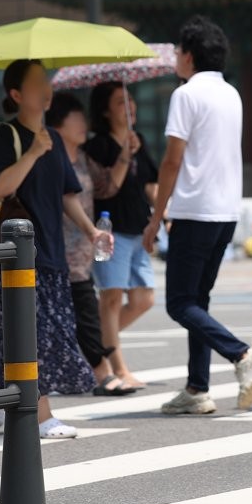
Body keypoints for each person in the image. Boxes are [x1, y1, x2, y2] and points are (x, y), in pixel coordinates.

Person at [141, 15, 252, 415]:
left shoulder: (186, 95)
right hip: (225, 212)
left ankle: (241, 354)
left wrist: (156, 216)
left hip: (193, 211)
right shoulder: (231, 93)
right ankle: (198, 388)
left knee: (179, 304)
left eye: (179, 52)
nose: (176, 58)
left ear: (190, 55)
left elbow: (172, 161)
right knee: (198, 301)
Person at [0, 60, 109, 439]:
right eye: (36, 82)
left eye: (45, 79)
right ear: (16, 95)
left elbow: (68, 196)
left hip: (52, 254)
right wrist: (33, 152)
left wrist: (91, 232)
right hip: (14, 257)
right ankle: (41, 414)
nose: (45, 86)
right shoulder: (7, 137)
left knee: (27, 331)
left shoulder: (51, 135)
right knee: (35, 335)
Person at [46, 92, 136, 397]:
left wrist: (125, 154)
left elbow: (108, 186)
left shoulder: (83, 158)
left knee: (72, 316)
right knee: (82, 313)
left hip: (84, 253)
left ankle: (85, 373)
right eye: (78, 120)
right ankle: (103, 373)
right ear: (59, 125)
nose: (85, 125)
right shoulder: (49, 159)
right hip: (56, 252)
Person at [84, 81, 158, 391]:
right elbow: (106, 188)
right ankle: (118, 368)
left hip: (138, 230)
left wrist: (162, 217)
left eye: (130, 100)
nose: (129, 107)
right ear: (104, 111)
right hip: (109, 231)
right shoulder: (98, 146)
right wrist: (124, 156)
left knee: (144, 299)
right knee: (111, 298)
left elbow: (150, 184)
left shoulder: (138, 140)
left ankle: (88, 349)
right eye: (119, 102)